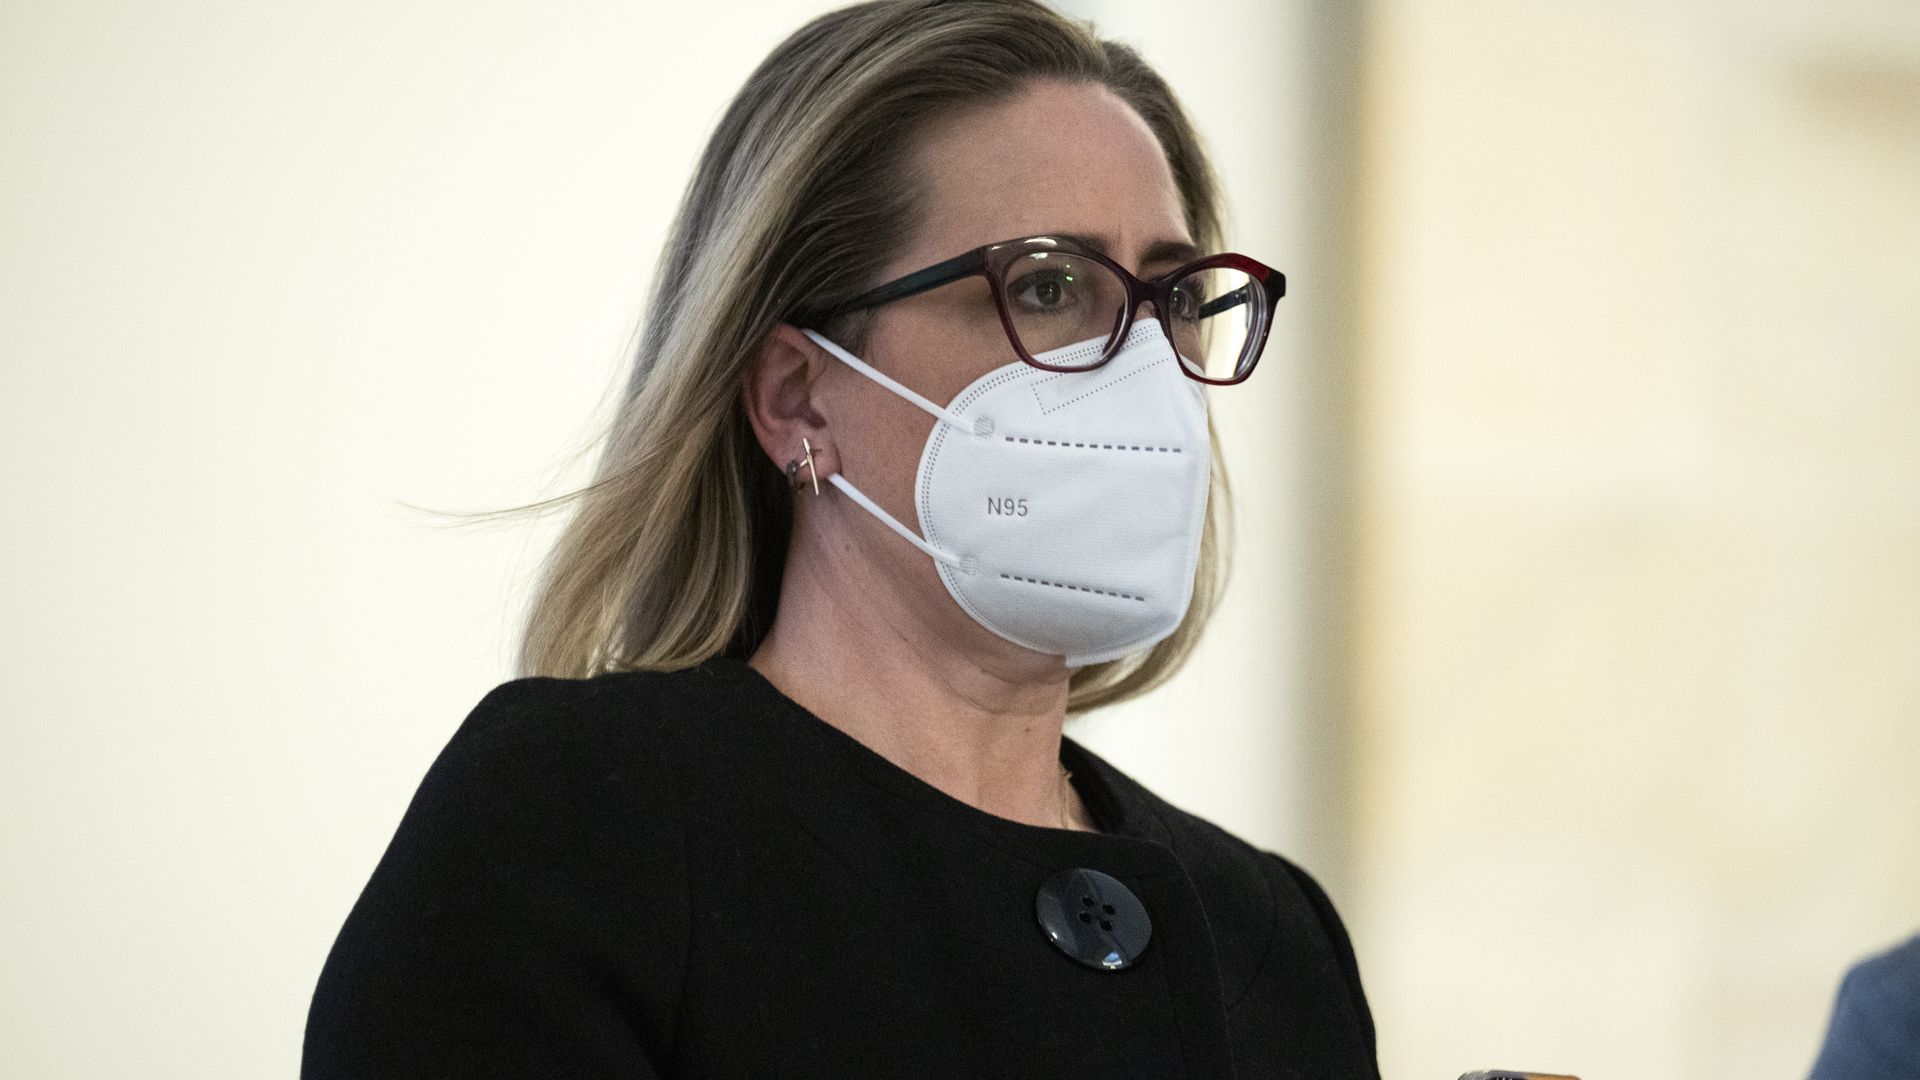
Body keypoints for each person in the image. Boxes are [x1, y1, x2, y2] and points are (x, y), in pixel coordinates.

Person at [301, 1, 1378, 1076]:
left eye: (1176, 302)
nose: (1147, 372)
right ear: (799, 397)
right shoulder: (580, 824)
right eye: (1050, 287)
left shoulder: (1272, 932)